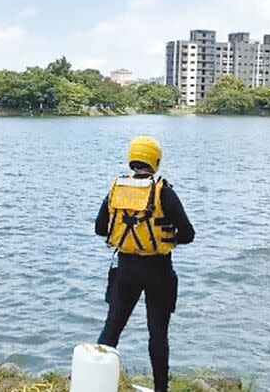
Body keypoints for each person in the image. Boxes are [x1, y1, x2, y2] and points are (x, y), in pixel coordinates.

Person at [95, 136, 194, 392]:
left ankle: (95, 382)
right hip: (158, 270)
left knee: (112, 328)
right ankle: (161, 388)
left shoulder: (117, 188)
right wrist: (165, 237)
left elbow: (99, 229)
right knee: (158, 334)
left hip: (126, 270)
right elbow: (188, 234)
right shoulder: (163, 190)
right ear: (156, 160)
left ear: (133, 158)